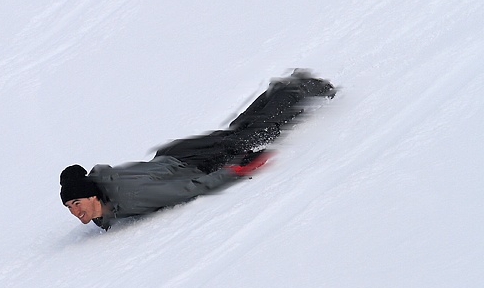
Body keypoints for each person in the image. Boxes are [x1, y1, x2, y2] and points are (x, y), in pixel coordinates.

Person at [60, 70, 336, 229]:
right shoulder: (102, 190)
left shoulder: (131, 196)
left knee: (258, 135)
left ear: (92, 195)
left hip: (194, 163)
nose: (74, 211)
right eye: (70, 207)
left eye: (77, 203)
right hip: (175, 155)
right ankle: (282, 90)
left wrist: (236, 170)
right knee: (237, 133)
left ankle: (299, 88)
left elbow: (190, 188)